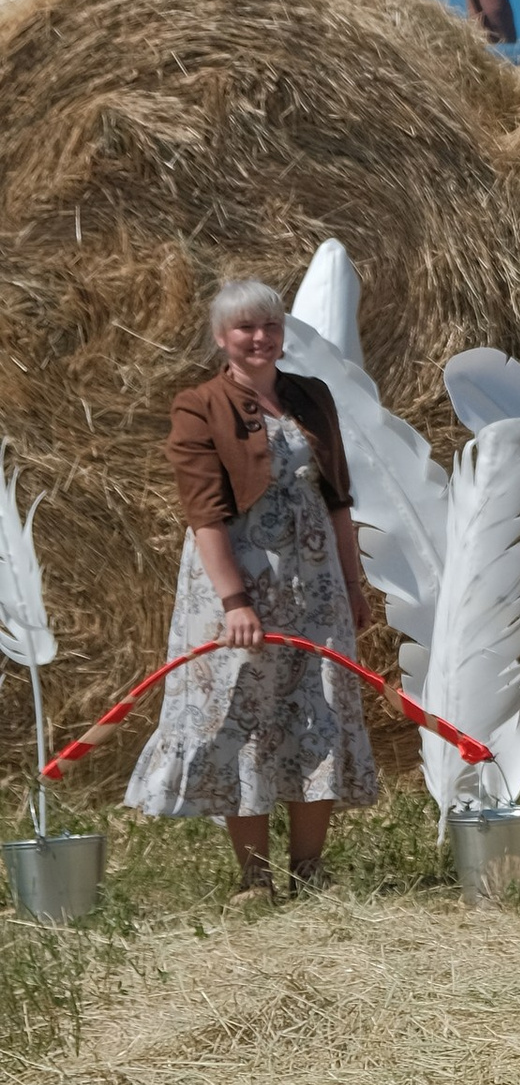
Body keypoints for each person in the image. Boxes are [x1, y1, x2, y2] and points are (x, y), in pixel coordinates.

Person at [126, 278, 377, 900]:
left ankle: (310, 872)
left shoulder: (312, 397)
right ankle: (256, 878)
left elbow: (339, 499)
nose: (259, 338)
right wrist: (235, 601)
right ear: (221, 339)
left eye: (268, 326)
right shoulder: (199, 405)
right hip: (241, 586)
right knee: (246, 719)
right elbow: (204, 514)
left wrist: (352, 584)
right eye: (244, 328)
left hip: (315, 586)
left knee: (318, 712)